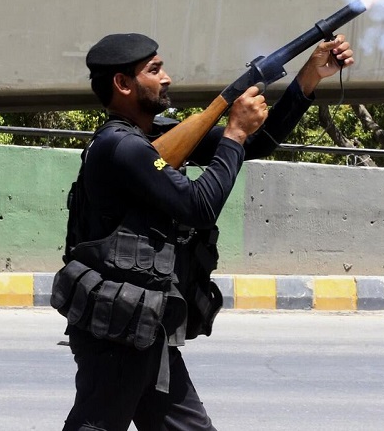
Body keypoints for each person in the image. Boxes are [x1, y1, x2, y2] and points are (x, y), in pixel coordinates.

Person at [56, 30, 353, 430]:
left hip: (145, 326)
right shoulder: (120, 147)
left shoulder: (150, 137)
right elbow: (198, 205)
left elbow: (257, 141)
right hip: (117, 336)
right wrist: (232, 132)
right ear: (123, 84)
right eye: (155, 70)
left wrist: (309, 77)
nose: (167, 78)